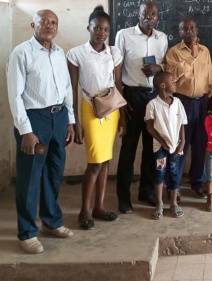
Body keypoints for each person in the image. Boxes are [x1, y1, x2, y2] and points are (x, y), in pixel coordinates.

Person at [7, 9, 75, 254]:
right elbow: (15, 96)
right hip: (35, 119)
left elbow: (67, 87)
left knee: (54, 173)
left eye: (53, 22)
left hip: (59, 118)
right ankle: (27, 233)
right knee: (30, 177)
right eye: (44, 22)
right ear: (32, 24)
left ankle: (51, 222)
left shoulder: (59, 53)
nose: (49, 25)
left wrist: (70, 120)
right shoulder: (21, 53)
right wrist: (25, 130)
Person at [67, 5, 124, 230]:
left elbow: (118, 84)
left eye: (106, 29)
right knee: (95, 162)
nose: (101, 33)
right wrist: (75, 122)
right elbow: (72, 88)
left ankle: (99, 207)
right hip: (89, 108)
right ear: (88, 28)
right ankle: (85, 210)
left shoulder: (114, 52)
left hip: (111, 108)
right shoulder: (76, 54)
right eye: (97, 28)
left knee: (106, 159)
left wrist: (123, 118)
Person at [115, 1, 169, 214]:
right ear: (138, 14)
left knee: (151, 147)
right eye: (145, 13)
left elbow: (166, 63)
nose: (149, 17)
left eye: (153, 14)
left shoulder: (162, 38)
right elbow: (116, 70)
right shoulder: (124, 35)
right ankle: (123, 197)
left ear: (158, 17)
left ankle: (146, 191)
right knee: (128, 149)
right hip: (131, 95)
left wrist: (159, 67)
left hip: (154, 96)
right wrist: (121, 102)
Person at [166, 18, 212, 199]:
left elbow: (209, 77)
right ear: (180, 32)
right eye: (185, 29)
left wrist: (211, 96)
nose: (189, 31)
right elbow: (171, 76)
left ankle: (198, 182)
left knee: (200, 144)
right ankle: (174, 186)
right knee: (180, 145)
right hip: (182, 102)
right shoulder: (174, 52)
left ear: (197, 30)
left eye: (192, 28)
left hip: (202, 102)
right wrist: (191, 58)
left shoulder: (205, 51)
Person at [145, 72, 186, 219]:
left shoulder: (178, 103)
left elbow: (182, 123)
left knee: (174, 173)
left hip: (175, 146)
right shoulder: (153, 105)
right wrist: (163, 143)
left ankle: (174, 203)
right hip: (161, 148)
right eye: (172, 81)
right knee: (160, 173)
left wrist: (183, 142)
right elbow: (150, 127)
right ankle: (160, 204)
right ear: (163, 86)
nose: (175, 82)